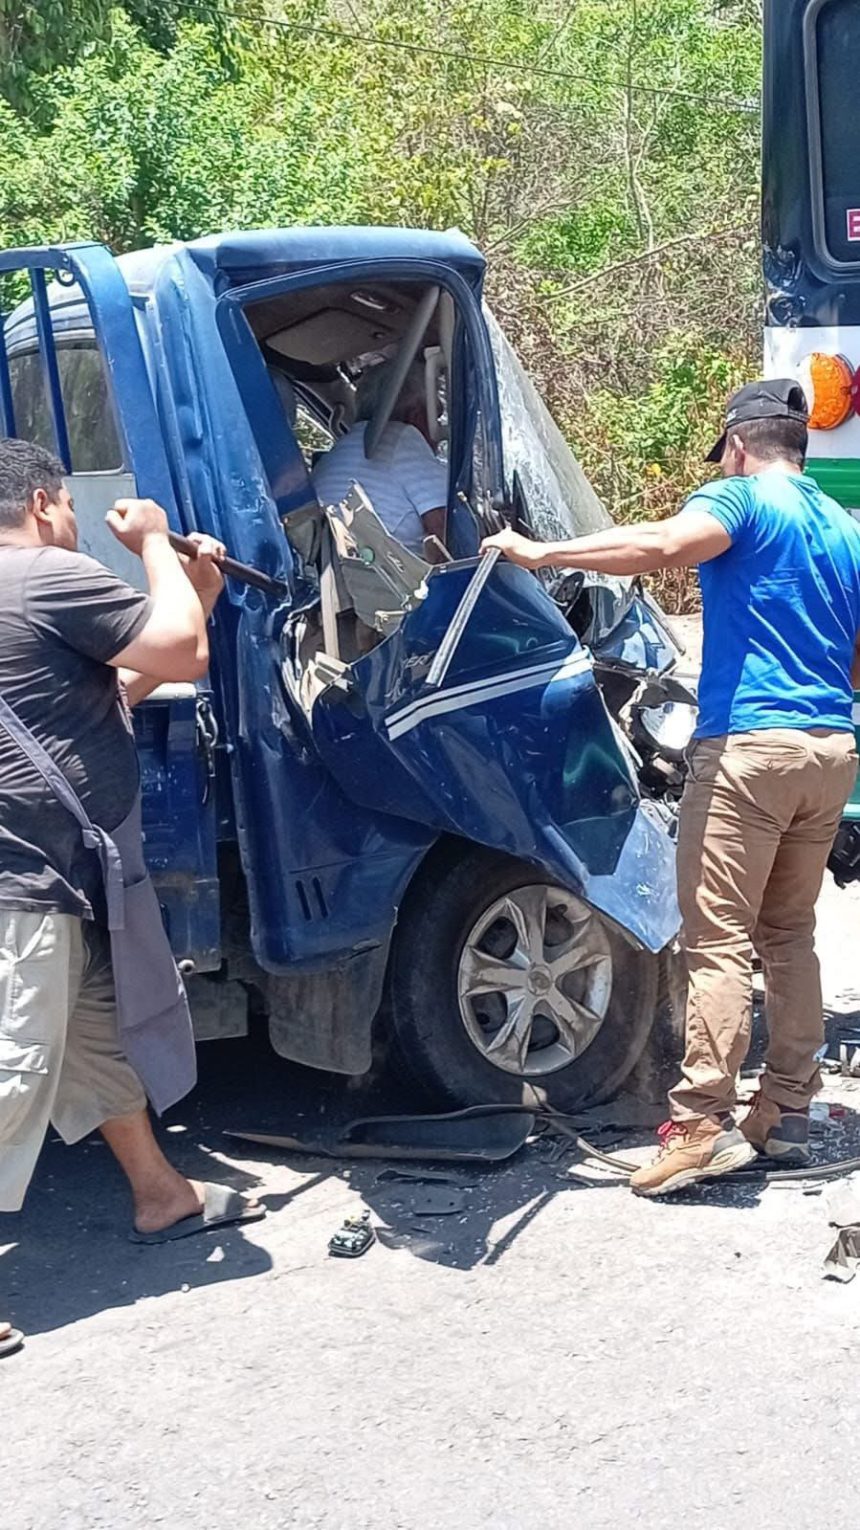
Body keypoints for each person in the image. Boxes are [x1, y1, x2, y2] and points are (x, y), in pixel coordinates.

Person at [481, 379, 860, 1197]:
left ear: (736, 444)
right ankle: (786, 1114)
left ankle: (700, 1126)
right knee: (788, 933)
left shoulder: (740, 500)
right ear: (801, 446)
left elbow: (663, 543)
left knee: (716, 938)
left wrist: (541, 554)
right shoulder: (845, 526)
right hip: (829, 750)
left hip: (749, 749)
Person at [0, 438, 263, 1355]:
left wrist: (202, 588)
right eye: (68, 508)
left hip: (55, 879)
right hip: (28, 884)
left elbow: (111, 688)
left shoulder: (17, 595)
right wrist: (153, 541)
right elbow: (183, 653)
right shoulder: (39, 574)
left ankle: (162, 1196)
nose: (75, 523)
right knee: (11, 1073)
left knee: (94, 1047)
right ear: (42, 504)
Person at [312, 358, 448, 556]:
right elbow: (448, 530)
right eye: (436, 417)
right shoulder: (402, 437)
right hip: (394, 583)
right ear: (416, 414)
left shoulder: (335, 453)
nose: (440, 434)